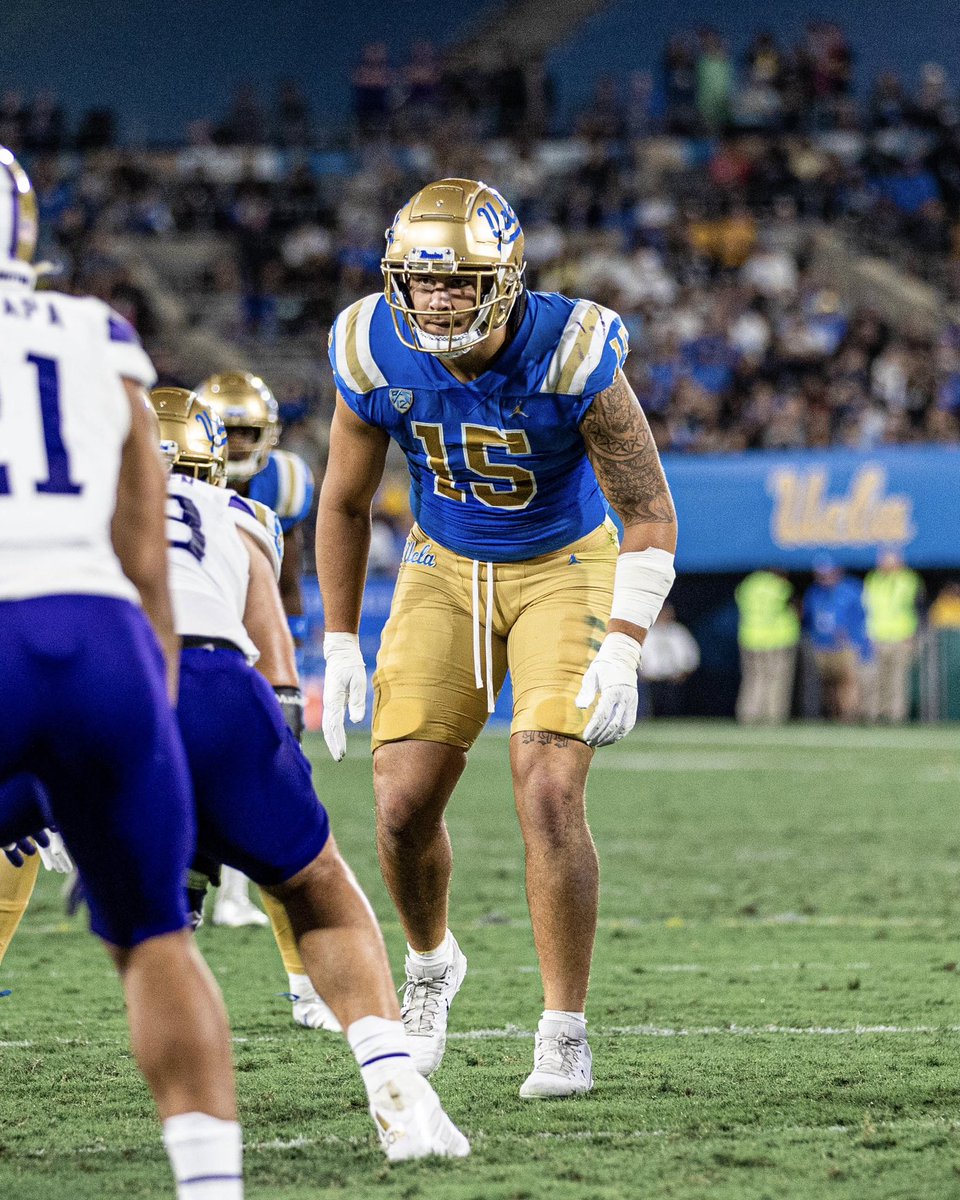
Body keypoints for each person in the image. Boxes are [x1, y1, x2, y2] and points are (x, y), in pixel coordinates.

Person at [318, 178, 678, 1097]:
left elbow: (648, 513)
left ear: (508, 279)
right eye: (419, 280)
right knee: (400, 807)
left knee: (549, 788)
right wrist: (338, 640)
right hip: (443, 570)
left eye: (458, 281)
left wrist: (626, 643)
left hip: (567, 564)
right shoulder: (369, 344)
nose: (435, 299)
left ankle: (563, 1029)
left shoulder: (569, 349)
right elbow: (345, 501)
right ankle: (433, 963)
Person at [0, 147, 243, 1199]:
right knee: (153, 936)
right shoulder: (98, 332)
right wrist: (148, 702)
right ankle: (210, 1183)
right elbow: (146, 548)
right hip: (100, 638)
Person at [148, 386, 468, 1161]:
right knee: (320, 889)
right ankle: (396, 1089)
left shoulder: (64, 500)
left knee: (150, 939)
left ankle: (199, 1158)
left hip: (94, 683)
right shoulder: (244, 515)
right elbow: (279, 670)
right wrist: (276, 757)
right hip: (217, 681)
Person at [193, 371, 314, 938]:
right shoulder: (171, 472)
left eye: (248, 432)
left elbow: (285, 575)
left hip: (251, 624)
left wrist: (286, 641)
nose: (237, 445)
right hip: (192, 626)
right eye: (226, 431)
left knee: (260, 760)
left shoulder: (286, 481)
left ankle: (234, 890)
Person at [802, 556, 872, 722]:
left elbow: (862, 617)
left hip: (845, 646)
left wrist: (857, 640)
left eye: (828, 573)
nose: (824, 578)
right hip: (822, 646)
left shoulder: (852, 590)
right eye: (821, 574)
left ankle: (849, 717)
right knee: (828, 686)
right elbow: (808, 619)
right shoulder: (814, 592)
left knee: (848, 684)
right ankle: (832, 716)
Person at [862, 549, 923, 723]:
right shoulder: (873, 580)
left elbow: (919, 609)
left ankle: (896, 717)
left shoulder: (909, 581)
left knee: (897, 681)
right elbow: (867, 610)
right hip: (877, 637)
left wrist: (913, 634)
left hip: (901, 637)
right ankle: (874, 715)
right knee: (876, 680)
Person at [734, 569, 800, 723]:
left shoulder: (749, 583)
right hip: (776, 640)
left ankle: (749, 715)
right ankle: (773, 716)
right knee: (776, 681)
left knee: (753, 680)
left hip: (750, 638)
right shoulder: (780, 586)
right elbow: (793, 608)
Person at [639, 603, 700, 717]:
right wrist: (643, 672)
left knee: (673, 710)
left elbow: (691, 655)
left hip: (674, 680)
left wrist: (684, 672)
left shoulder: (679, 632)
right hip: (651, 680)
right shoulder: (647, 633)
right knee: (651, 708)